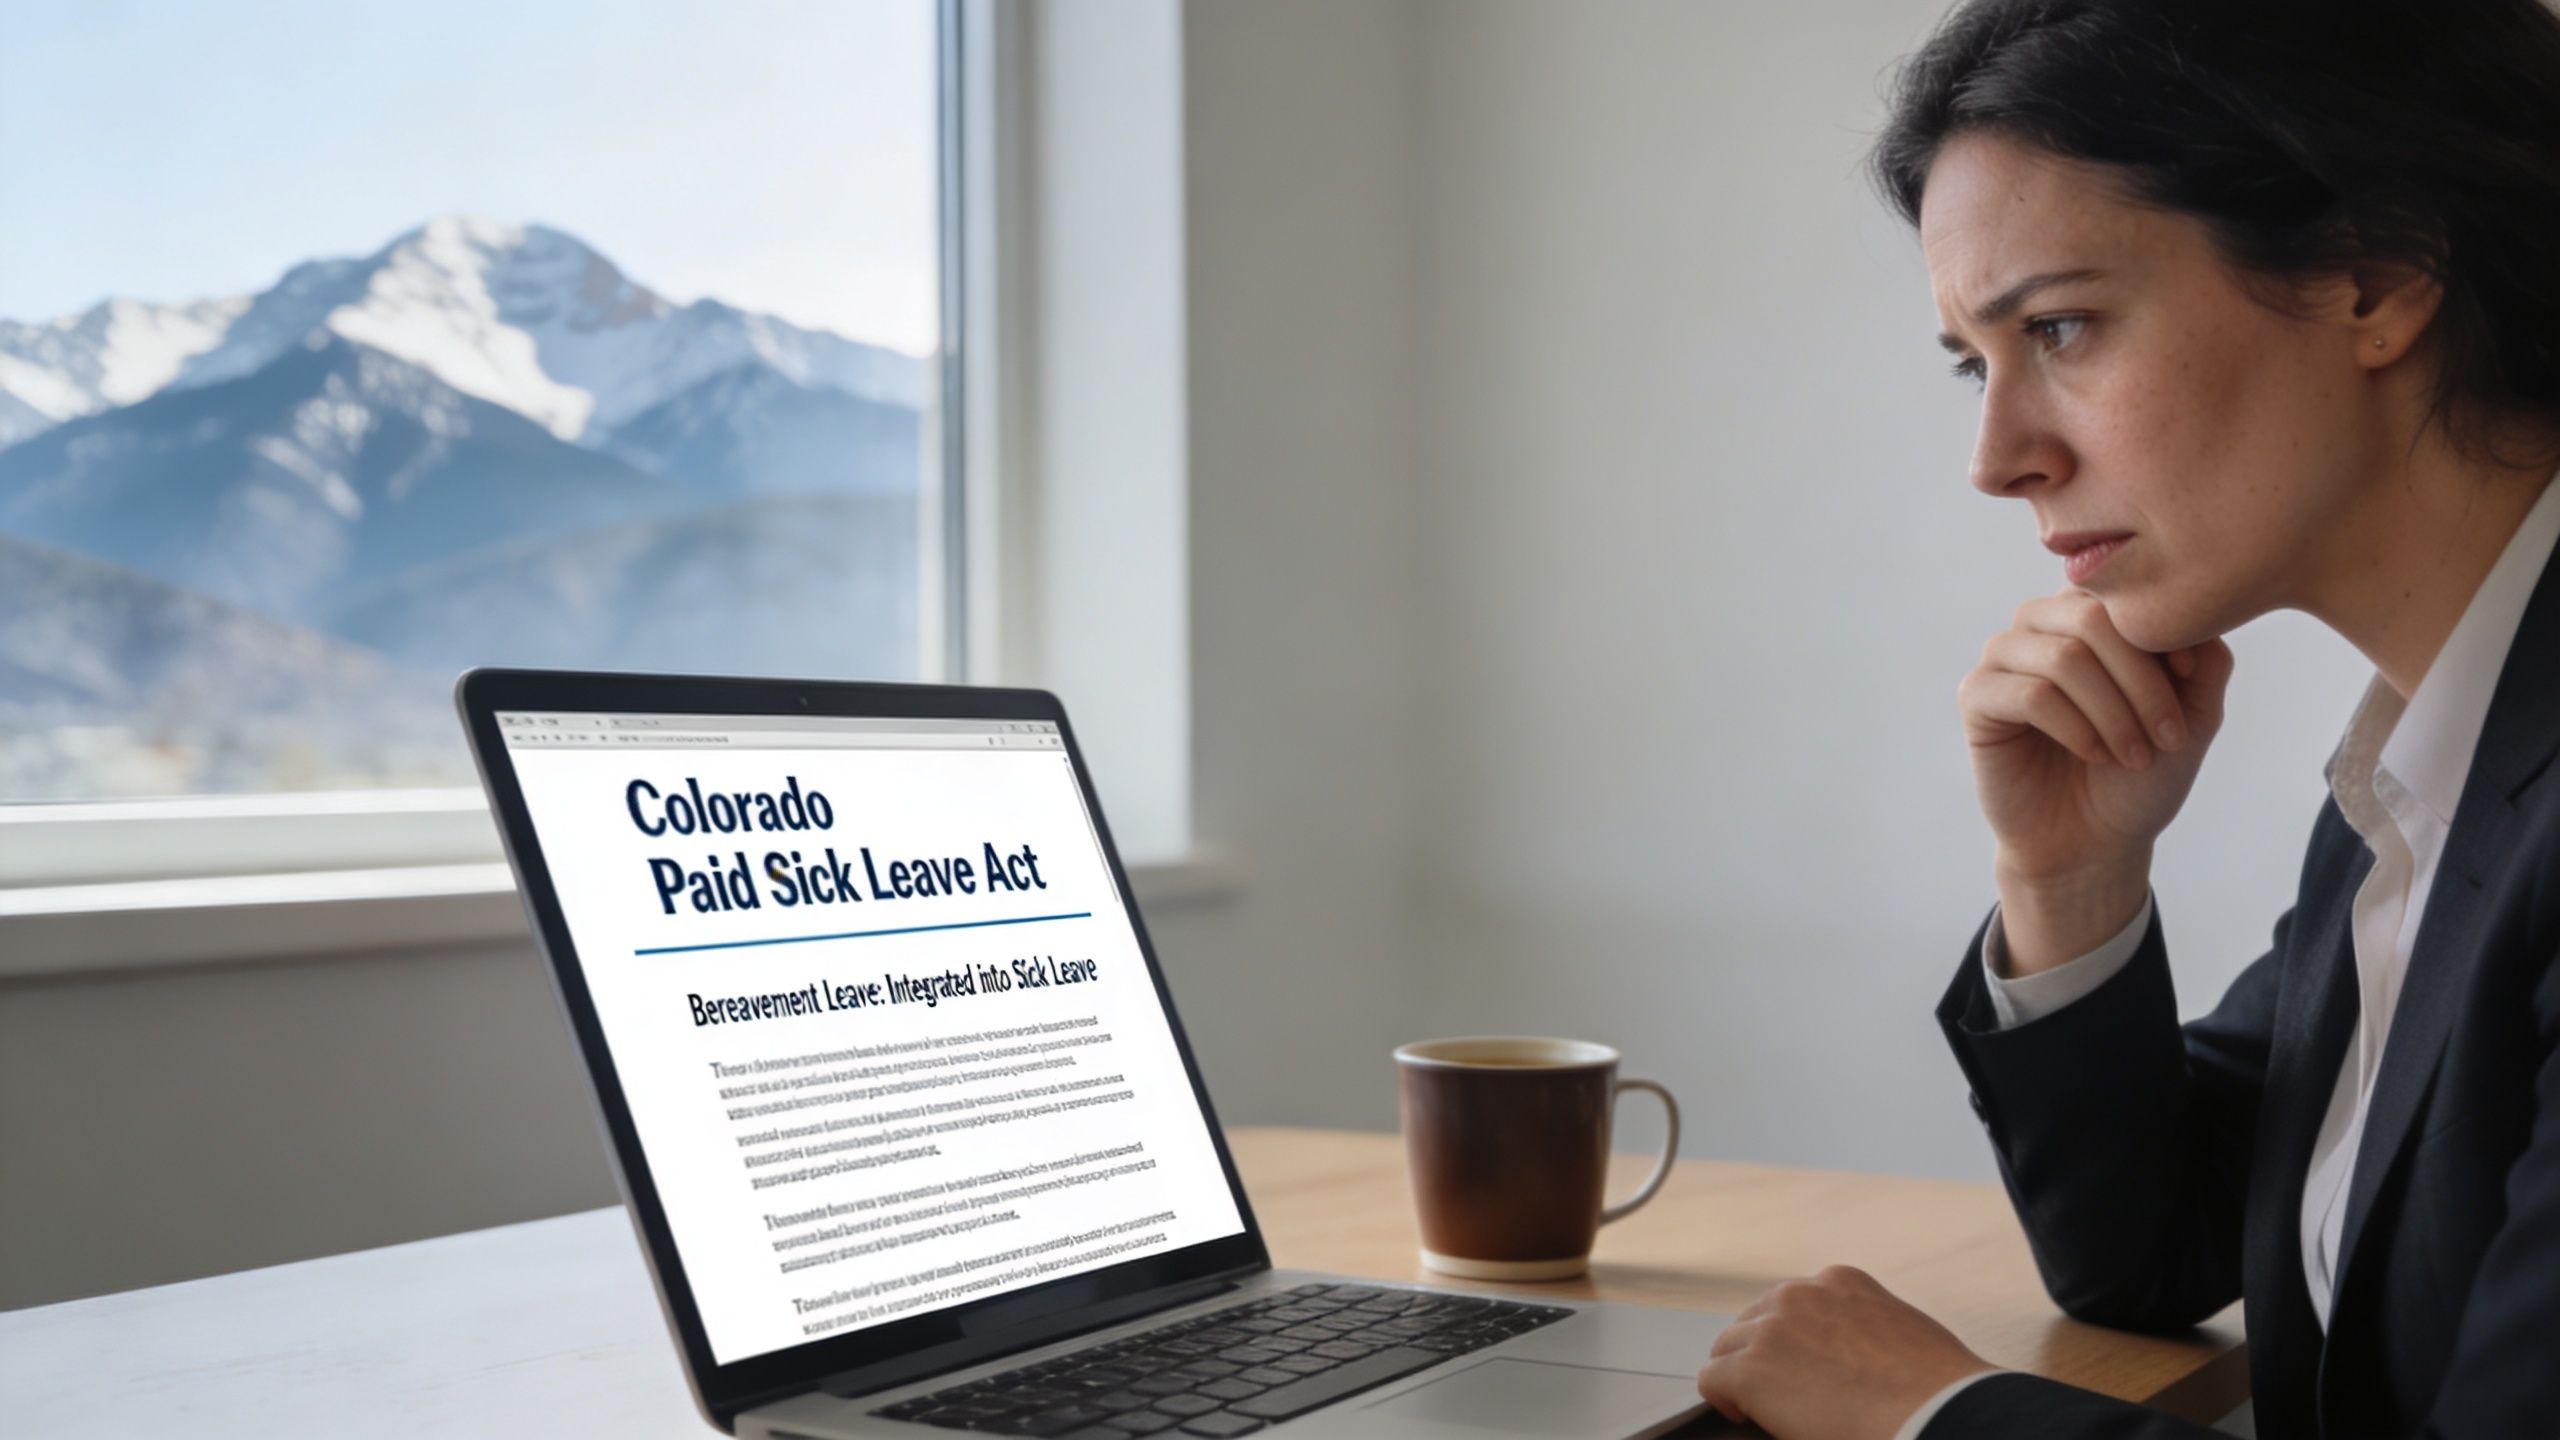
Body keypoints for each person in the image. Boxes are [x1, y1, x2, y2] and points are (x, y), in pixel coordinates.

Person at [1691, 2, 2560, 1436]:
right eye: (1980, 363)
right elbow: (2152, 1252)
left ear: (2381, 275)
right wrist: (2070, 877)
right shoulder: (2440, 749)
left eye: (2061, 326)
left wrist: (1935, 1416)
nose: (1996, 458)